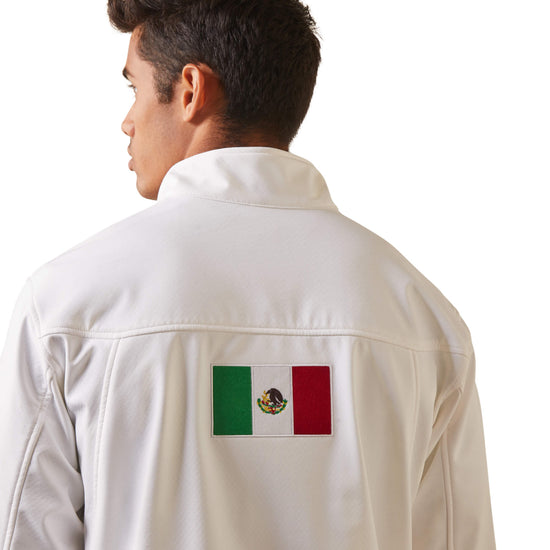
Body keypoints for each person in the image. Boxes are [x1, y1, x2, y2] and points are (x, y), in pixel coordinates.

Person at [0, 0, 496, 548]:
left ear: (190, 90)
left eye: (133, 88)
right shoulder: (425, 321)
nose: (127, 120)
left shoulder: (67, 304)